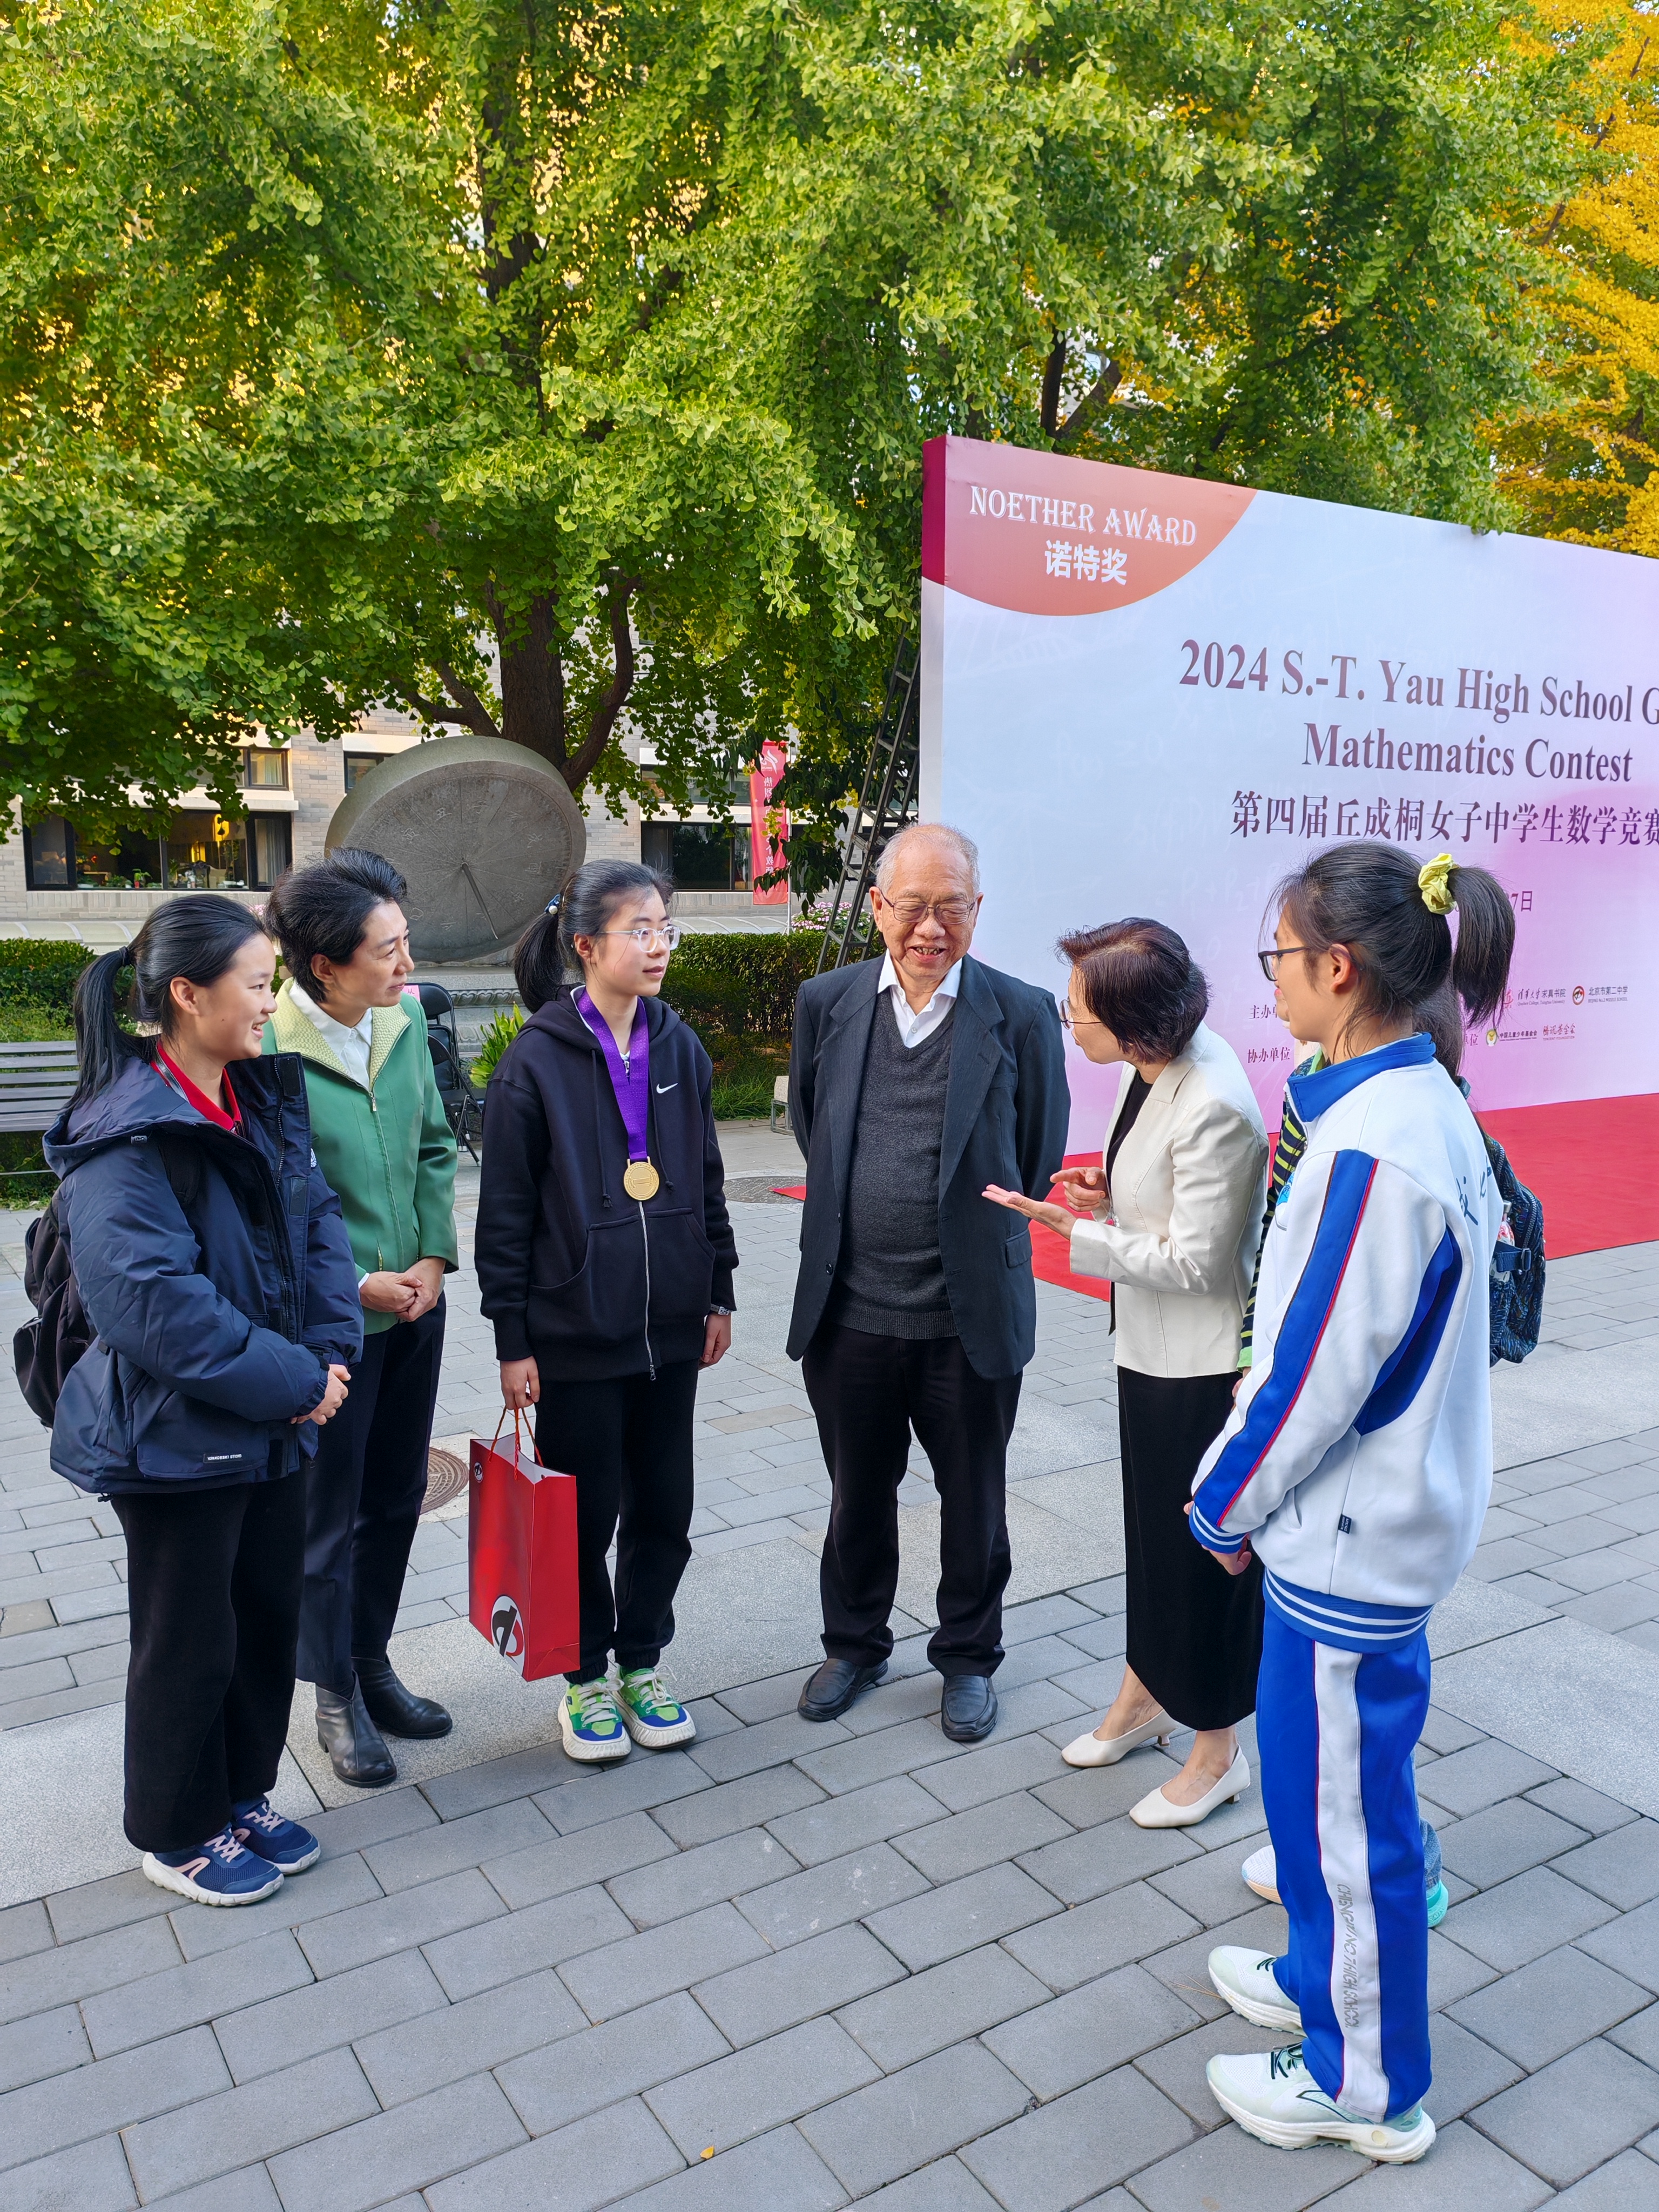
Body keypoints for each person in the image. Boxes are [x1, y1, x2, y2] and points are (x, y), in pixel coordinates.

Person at [1191, 844, 1513, 2163]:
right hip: (1370, 1530)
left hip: (1346, 1534)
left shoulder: (1380, 1140)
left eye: (1279, 955)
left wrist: (1219, 1500)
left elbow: (1312, 1371)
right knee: (1329, 1797)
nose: (1270, 979)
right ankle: (1326, 1981)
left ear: (1337, 968)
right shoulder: (1411, 1102)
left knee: (1347, 1813)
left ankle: (1365, 2080)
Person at [44, 899, 361, 1904]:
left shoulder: (255, 1098)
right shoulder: (122, 1136)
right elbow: (156, 1312)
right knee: (189, 1637)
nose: (274, 1003)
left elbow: (319, 1228)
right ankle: (176, 1827)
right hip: (179, 1437)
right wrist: (304, 1382)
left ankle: (240, 1794)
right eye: (259, 984)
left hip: (274, 1420)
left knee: (262, 1619)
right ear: (187, 994)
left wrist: (329, 1353)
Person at [787, 823, 1068, 1744]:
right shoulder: (826, 1004)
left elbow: (1034, 1155)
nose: (930, 927)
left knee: (973, 1500)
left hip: (968, 1315)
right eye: (912, 905)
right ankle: (856, 1643)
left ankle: (968, 1656)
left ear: (977, 911)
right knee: (855, 1495)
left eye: (951, 905)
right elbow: (814, 1133)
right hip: (852, 1313)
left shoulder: (1021, 1013)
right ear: (877, 908)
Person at [985, 919, 1268, 1825]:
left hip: (1196, 1365)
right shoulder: (1149, 1070)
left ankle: (1218, 1748)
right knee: (1149, 1537)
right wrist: (1111, 1198)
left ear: (1134, 1022)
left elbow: (1196, 1262)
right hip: (1147, 1347)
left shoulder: (1216, 1099)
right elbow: (1168, 1200)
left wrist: (1079, 1234)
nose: (1072, 1026)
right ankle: (1144, 1695)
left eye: (1080, 1015)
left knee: (1202, 1555)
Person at [475, 860, 737, 1763]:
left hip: (670, 1330)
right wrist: (512, 1337)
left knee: (665, 1507)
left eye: (666, 927)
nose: (659, 945)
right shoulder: (535, 1061)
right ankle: (584, 1677)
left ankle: (642, 1662)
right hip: (575, 1337)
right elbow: (504, 1212)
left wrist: (720, 1288)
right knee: (586, 1516)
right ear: (586, 946)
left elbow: (706, 1179)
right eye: (641, 930)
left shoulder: (679, 1046)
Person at [261, 852, 459, 1787]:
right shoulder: (270, 1049)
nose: (403, 965)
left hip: (415, 1309)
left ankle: (372, 1660)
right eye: (386, 952)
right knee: (326, 1520)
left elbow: (432, 1147)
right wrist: (357, 1283)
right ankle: (331, 1692)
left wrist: (428, 1258)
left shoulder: (405, 1020)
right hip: (332, 1331)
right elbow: (273, 1201)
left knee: (394, 1500)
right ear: (325, 966)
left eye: (405, 944)